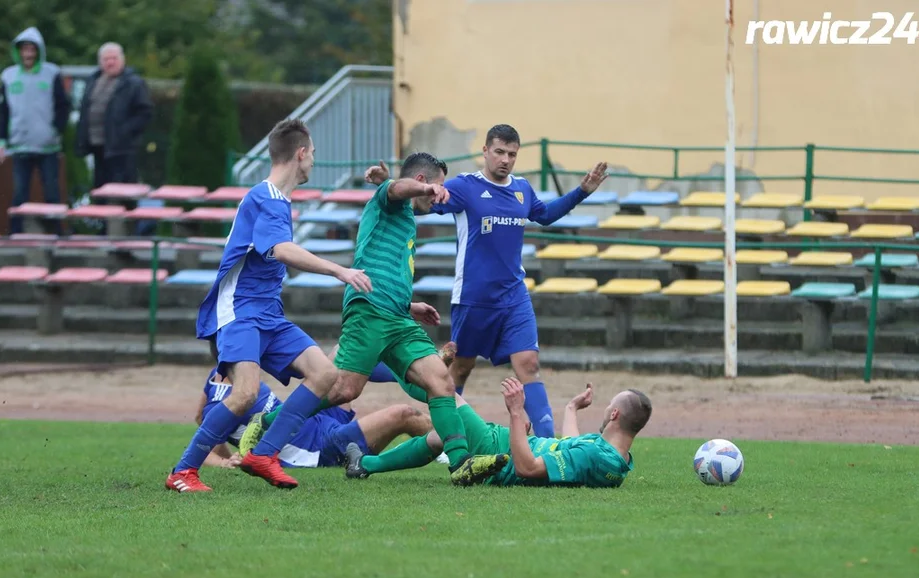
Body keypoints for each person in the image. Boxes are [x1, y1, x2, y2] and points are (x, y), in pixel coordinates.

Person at [240, 152, 510, 488]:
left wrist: (410, 306)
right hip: (369, 310)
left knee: (440, 380)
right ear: (423, 183)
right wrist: (412, 187)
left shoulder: (404, 218)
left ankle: (461, 463)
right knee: (343, 390)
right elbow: (396, 188)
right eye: (439, 185)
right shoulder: (389, 200)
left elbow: (386, 267)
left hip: (397, 317)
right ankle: (266, 423)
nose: (444, 193)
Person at [165, 118, 372, 494]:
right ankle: (183, 471)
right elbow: (281, 250)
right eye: (313, 155)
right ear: (302, 153)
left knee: (324, 375)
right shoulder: (268, 198)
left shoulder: (274, 199)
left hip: (268, 315)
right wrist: (339, 270)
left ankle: (264, 453)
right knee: (244, 395)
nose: (313, 162)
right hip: (242, 313)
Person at [369, 124, 610, 439]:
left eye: (512, 154)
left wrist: (582, 191)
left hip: (513, 297)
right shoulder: (465, 187)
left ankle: (548, 442)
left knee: (529, 364)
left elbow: (546, 214)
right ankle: (446, 437)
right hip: (473, 298)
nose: (505, 159)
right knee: (459, 370)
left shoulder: (522, 189)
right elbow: (421, 205)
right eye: (499, 152)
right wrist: (388, 186)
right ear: (485, 151)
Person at [344, 378, 651, 489]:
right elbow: (570, 447)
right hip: (505, 443)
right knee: (442, 435)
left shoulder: (596, 455)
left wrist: (516, 412)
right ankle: (364, 466)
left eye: (609, 405)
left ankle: (388, 361)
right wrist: (571, 408)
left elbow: (526, 467)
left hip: (494, 452)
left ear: (614, 414)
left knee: (439, 388)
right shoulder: (616, 461)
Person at [183, 368, 437, 486]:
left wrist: (229, 454)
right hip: (319, 447)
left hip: (316, 420)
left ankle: (413, 369)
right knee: (404, 414)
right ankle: (452, 448)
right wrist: (225, 461)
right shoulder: (227, 402)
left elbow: (198, 417)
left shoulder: (216, 376)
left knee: (345, 362)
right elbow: (204, 433)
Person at [0, 27, 70, 235]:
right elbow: (3, 111)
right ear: (18, 52)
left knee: (52, 193)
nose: (28, 54)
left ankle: (56, 233)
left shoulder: (51, 73)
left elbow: (63, 105)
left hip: (48, 144)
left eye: (32, 50)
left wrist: (57, 130)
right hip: (20, 143)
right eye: (24, 50)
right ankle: (16, 233)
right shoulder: (8, 76)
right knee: (20, 193)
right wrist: (1, 140)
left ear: (39, 51)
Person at [74, 42, 153, 188]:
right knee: (100, 190)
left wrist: (125, 131)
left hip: (122, 149)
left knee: (124, 191)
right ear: (100, 62)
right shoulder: (93, 81)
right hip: (97, 146)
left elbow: (144, 113)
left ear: (122, 59)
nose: (110, 62)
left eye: (114, 58)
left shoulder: (133, 83)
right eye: (106, 59)